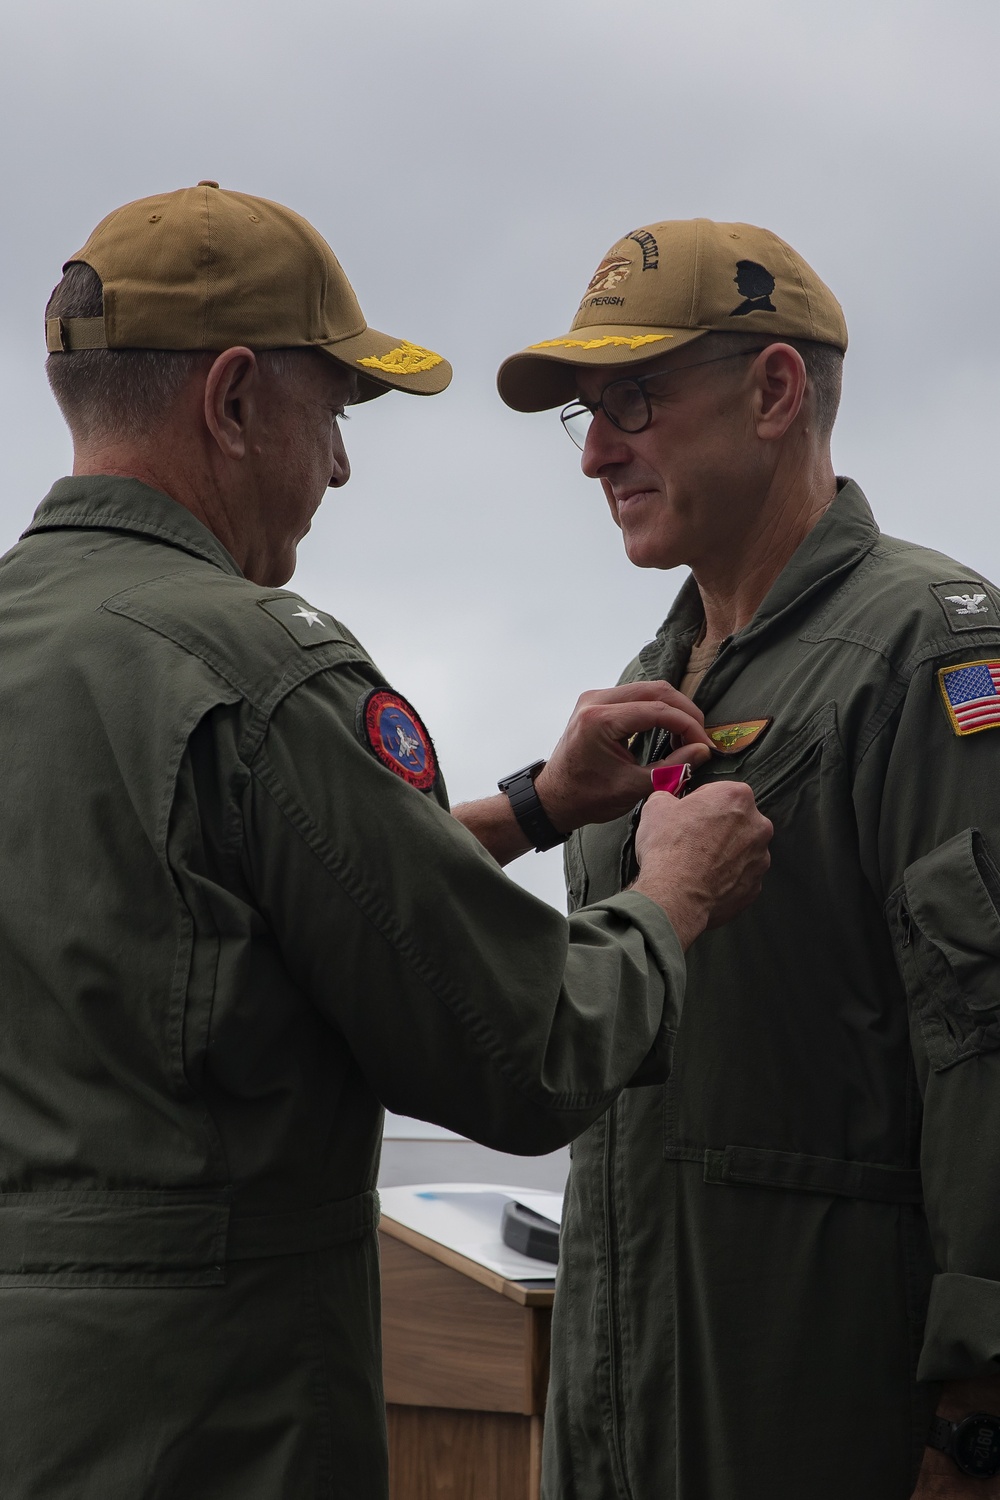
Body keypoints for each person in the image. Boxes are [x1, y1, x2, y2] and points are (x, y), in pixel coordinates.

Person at [0, 185, 771, 1500]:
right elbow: (525, 1056)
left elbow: (204, 902)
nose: (342, 468)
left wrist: (528, 810)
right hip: (212, 1432)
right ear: (234, 400)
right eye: (336, 412)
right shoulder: (265, 675)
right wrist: (671, 898)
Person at [497, 216, 1000, 1500]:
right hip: (625, 1386)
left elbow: (984, 1053)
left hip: (820, 1401)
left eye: (634, 400)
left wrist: (976, 1412)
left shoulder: (933, 652)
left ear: (775, 391)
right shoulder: (644, 686)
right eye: (587, 414)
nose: (597, 451)